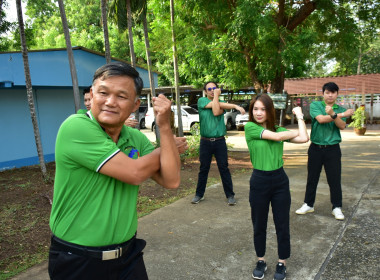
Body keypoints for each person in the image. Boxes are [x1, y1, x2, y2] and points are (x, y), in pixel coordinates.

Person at [48, 62, 187, 280]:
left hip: (127, 256)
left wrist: (165, 127)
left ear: (135, 104)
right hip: (78, 259)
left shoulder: (135, 138)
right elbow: (135, 172)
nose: (110, 102)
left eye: (122, 96)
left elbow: (171, 180)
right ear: (92, 94)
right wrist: (166, 149)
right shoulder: (75, 127)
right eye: (103, 93)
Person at [245, 94, 309, 280]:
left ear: (269, 110)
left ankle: (282, 263)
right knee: (259, 224)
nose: (258, 113)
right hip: (259, 180)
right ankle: (261, 260)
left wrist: (299, 116)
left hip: (280, 180)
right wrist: (289, 133)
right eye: (255, 109)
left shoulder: (279, 128)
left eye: (263, 109)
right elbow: (278, 136)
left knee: (282, 224)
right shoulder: (250, 128)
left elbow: (304, 137)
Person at [295, 82, 354, 220]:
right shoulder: (316, 105)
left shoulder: (339, 108)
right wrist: (339, 114)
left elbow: (342, 126)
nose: (330, 95)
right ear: (323, 93)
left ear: (337, 94)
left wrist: (335, 114)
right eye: (327, 92)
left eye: (333, 92)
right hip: (315, 148)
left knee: (334, 179)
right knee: (312, 178)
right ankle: (308, 204)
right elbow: (320, 119)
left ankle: (337, 207)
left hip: (333, 149)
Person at [191, 82, 245, 205]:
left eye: (214, 89)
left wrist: (229, 104)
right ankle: (199, 194)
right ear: (205, 91)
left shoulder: (221, 103)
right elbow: (216, 111)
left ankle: (230, 195)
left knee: (224, 168)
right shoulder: (201, 101)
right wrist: (234, 106)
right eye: (209, 89)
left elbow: (217, 107)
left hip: (219, 141)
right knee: (203, 168)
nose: (212, 90)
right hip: (205, 141)